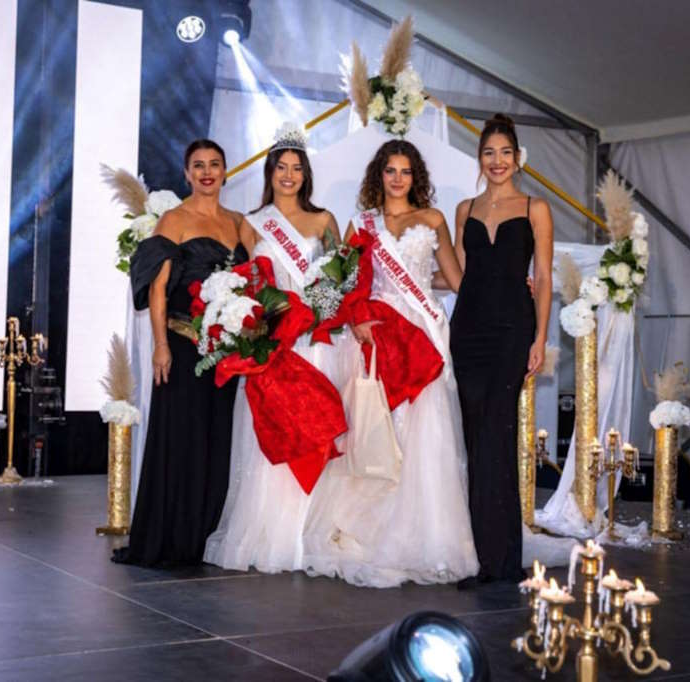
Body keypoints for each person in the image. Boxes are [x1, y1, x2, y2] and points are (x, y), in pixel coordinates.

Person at [302, 139, 479, 588]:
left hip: (424, 331)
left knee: (425, 431)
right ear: (378, 175)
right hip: (378, 334)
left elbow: (455, 280)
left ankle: (424, 533)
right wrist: (360, 317)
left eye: (405, 171)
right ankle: (371, 529)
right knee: (378, 426)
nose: (397, 179)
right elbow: (350, 282)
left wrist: (501, 282)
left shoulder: (433, 219)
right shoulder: (361, 224)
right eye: (390, 171)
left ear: (415, 177)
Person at [204, 124, 352, 573]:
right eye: (281, 168)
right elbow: (248, 285)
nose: (289, 175)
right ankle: (274, 535)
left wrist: (320, 308)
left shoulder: (325, 220)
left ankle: (314, 534)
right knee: (273, 433)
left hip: (315, 345)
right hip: (276, 346)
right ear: (270, 172)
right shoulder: (252, 223)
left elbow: (344, 279)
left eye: (297, 168)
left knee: (316, 431)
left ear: (306, 174)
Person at [112, 139, 248, 568]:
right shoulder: (175, 219)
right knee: (181, 442)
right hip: (186, 346)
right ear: (187, 174)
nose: (207, 172)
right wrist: (161, 345)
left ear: (225, 172)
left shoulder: (239, 223)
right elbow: (157, 287)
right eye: (198, 165)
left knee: (217, 441)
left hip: (226, 353)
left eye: (214, 164)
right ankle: (170, 538)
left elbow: (255, 280)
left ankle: (201, 535)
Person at [450, 114, 553, 583]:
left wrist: (541, 337)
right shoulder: (464, 209)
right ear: (480, 158)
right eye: (489, 153)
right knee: (475, 439)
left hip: (512, 329)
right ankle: (481, 557)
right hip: (468, 328)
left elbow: (546, 278)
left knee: (498, 434)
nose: (497, 161)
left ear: (518, 158)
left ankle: (504, 558)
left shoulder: (536, 208)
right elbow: (458, 274)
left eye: (505, 153)